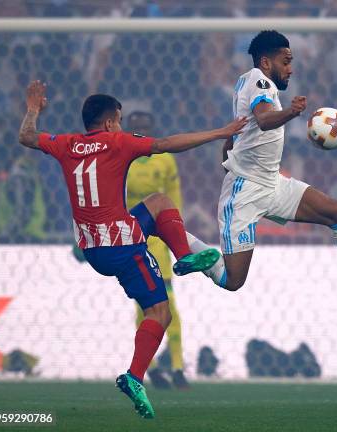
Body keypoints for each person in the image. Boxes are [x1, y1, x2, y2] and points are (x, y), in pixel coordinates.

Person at [18, 80, 247, 418]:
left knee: (157, 203)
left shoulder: (66, 144)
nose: (122, 126)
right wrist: (220, 132)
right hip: (121, 246)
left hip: (93, 247)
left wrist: (33, 111)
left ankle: (184, 259)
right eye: (120, 120)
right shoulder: (118, 142)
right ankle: (135, 374)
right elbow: (169, 143)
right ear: (111, 122)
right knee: (160, 313)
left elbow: (26, 136)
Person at [185, 30, 337, 306]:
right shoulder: (258, 81)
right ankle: (196, 249)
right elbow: (264, 120)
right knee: (232, 281)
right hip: (245, 193)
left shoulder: (250, 84)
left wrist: (229, 152)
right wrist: (291, 111)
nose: (290, 68)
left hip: (272, 183)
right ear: (266, 62)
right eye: (285, 61)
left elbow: (242, 128)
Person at [126, 111, 189, 390]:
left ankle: (177, 366)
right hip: (129, 239)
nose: (141, 133)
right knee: (143, 307)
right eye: (136, 129)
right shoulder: (122, 159)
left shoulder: (165, 159)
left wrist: (175, 235)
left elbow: (174, 200)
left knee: (168, 305)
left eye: (145, 128)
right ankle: (149, 367)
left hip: (158, 242)